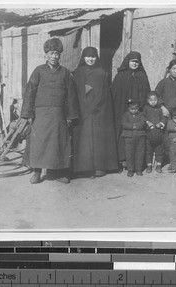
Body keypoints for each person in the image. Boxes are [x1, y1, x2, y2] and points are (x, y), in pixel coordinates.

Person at [20, 38, 79, 184]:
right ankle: (36, 172)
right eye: (52, 53)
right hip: (41, 114)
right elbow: (29, 93)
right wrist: (27, 114)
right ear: (46, 54)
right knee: (39, 142)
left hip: (58, 114)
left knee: (57, 143)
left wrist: (71, 115)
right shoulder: (38, 71)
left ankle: (56, 173)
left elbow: (71, 96)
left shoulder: (65, 73)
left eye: (57, 53)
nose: (54, 56)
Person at [72, 47, 119, 178]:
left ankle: (99, 167)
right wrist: (87, 105)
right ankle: (85, 168)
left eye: (93, 56)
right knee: (85, 139)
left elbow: (104, 92)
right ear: (83, 57)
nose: (90, 59)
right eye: (88, 56)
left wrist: (97, 103)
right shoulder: (79, 72)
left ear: (96, 58)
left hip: (99, 111)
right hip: (84, 111)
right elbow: (77, 92)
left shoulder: (101, 72)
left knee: (99, 139)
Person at [111, 51, 151, 171]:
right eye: (132, 61)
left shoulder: (142, 76)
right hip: (122, 110)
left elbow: (147, 93)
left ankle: (136, 162)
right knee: (122, 133)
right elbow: (114, 94)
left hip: (138, 111)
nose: (134, 64)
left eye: (137, 62)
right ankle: (121, 160)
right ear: (127, 62)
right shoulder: (120, 76)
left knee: (138, 134)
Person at [142, 91, 167, 173]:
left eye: (155, 100)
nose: (153, 102)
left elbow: (164, 118)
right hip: (149, 133)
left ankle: (158, 165)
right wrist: (147, 122)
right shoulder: (145, 109)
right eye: (151, 100)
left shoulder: (160, 108)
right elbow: (143, 118)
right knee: (148, 150)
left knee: (159, 149)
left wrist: (161, 123)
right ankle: (149, 165)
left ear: (158, 100)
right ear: (147, 100)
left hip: (158, 133)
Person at [121, 99, 146, 177]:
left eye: (135, 109)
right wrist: (133, 126)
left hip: (140, 137)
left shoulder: (141, 115)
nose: (133, 111)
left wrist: (134, 125)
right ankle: (130, 170)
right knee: (129, 154)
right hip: (129, 138)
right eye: (131, 109)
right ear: (128, 108)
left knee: (140, 154)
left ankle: (139, 169)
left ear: (138, 108)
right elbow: (124, 124)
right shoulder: (125, 115)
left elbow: (143, 123)